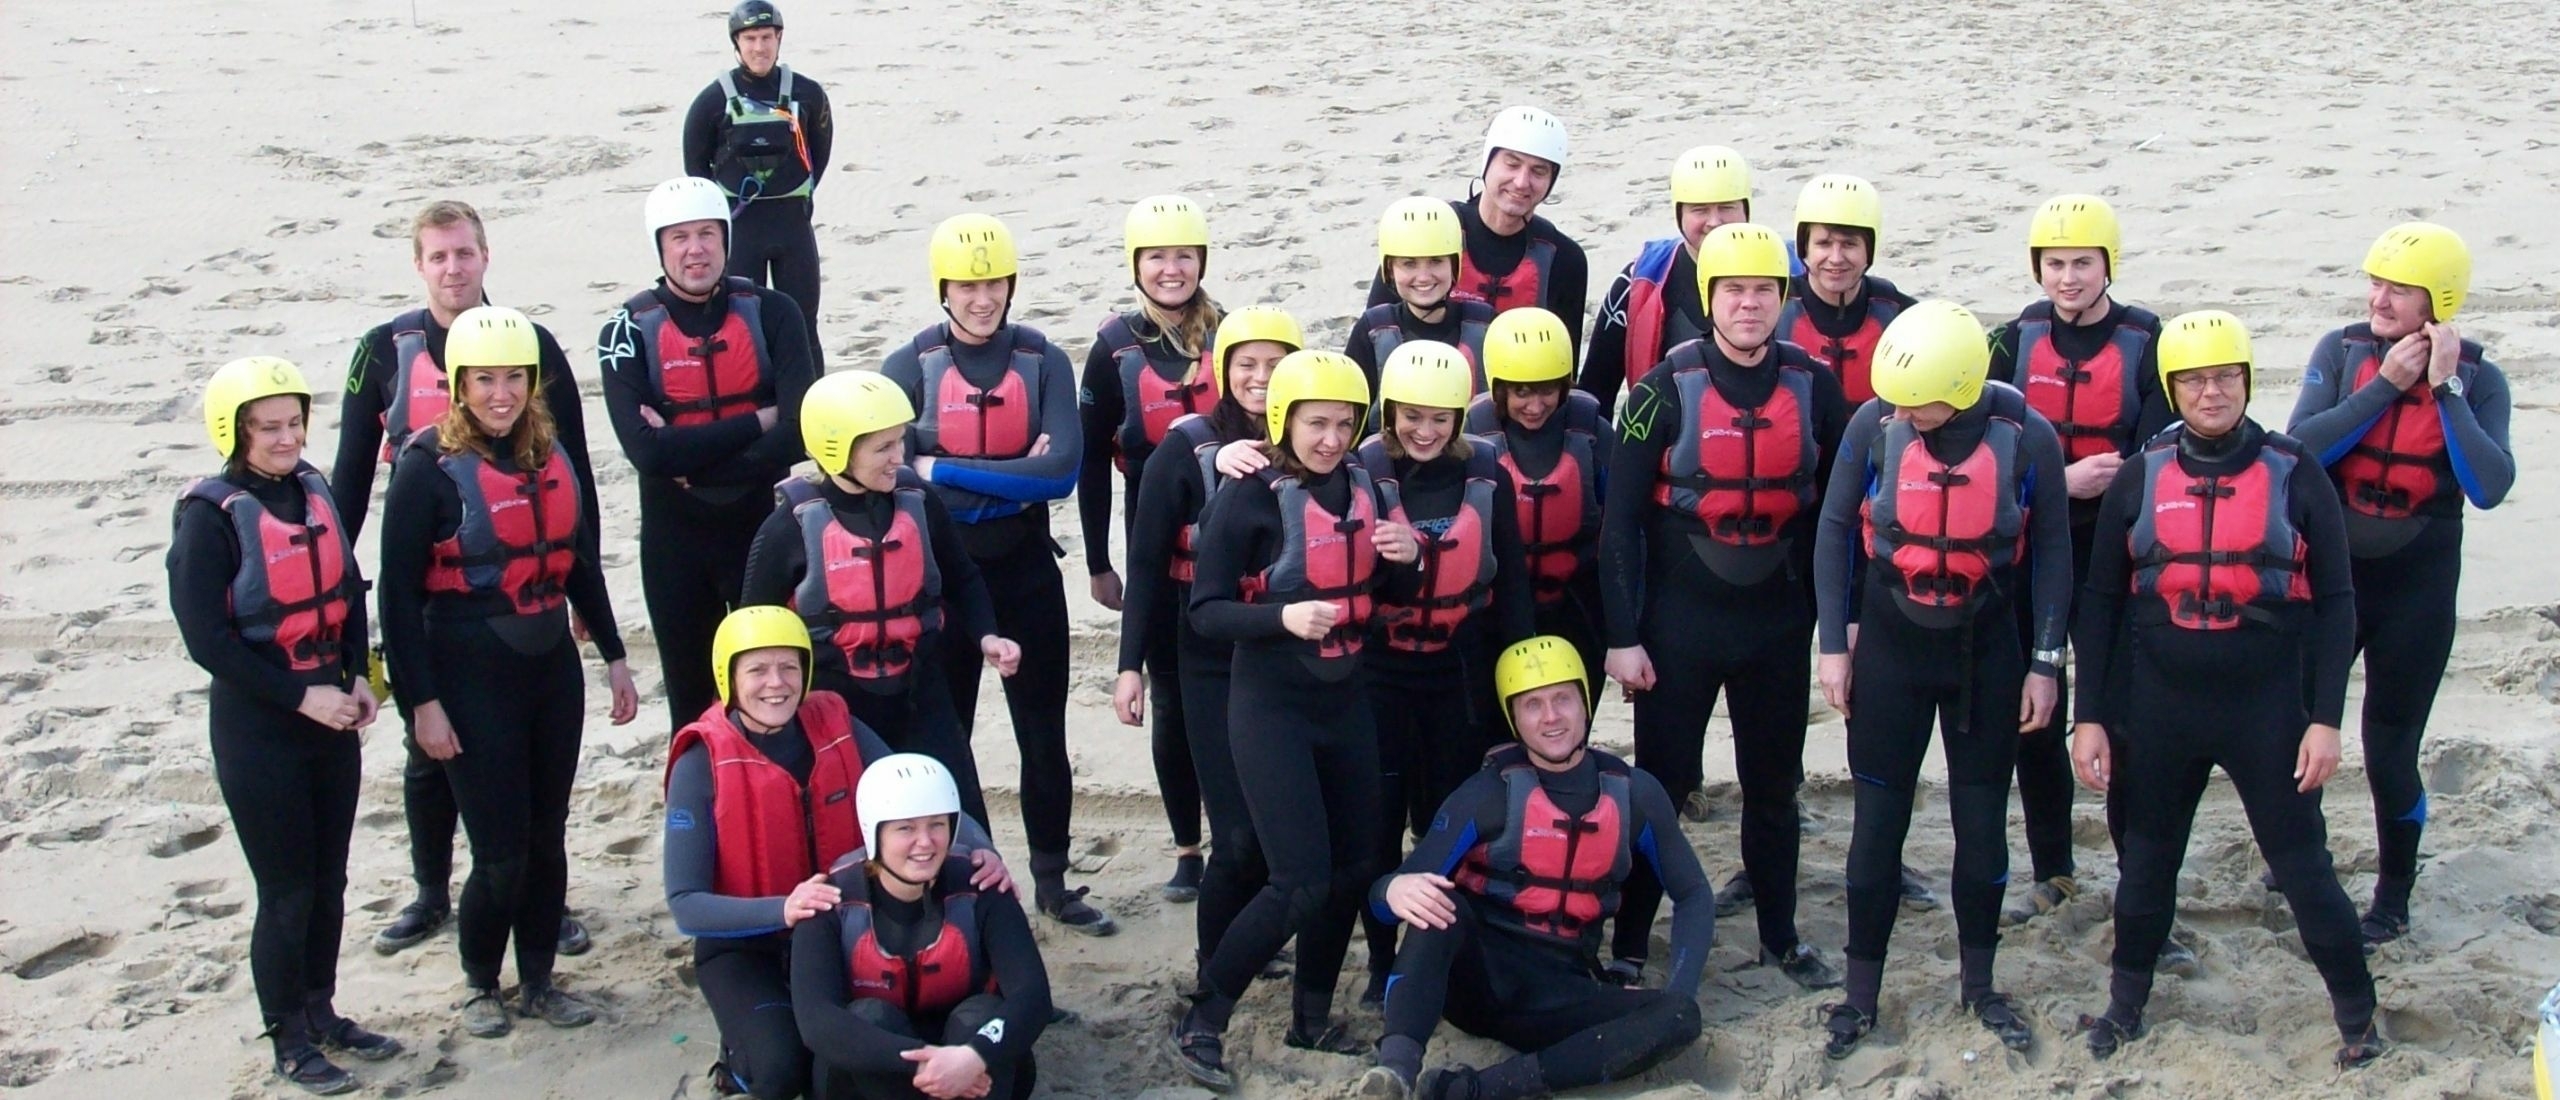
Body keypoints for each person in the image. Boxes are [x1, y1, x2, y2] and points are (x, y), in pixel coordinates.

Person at [2065, 310, 2385, 1069]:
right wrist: (2091, 719)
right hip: (2158, 706)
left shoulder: (2295, 469)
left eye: (2226, 377)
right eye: (2196, 380)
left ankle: (2358, 1020)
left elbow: (2338, 602)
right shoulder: (2142, 474)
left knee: (2306, 870)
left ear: (2247, 379)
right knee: (2144, 869)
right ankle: (2125, 1005)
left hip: (2267, 710)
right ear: (2173, 388)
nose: (2212, 393)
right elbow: (2102, 602)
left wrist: (2326, 721)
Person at [332, 198, 601, 959]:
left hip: (523, 576)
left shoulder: (532, 346)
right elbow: (351, 478)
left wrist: (585, 597)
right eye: (438, 257)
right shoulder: (382, 350)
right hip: (427, 572)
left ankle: (533, 899)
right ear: (419, 266)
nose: (453, 269)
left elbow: (573, 476)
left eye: (465, 254)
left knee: (523, 770)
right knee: (431, 750)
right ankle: (429, 891)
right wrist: (342, 589)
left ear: (486, 258)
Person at [1811, 301, 2071, 1057]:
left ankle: (1979, 984)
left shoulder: (2028, 437)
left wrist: (2046, 664)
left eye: (1913, 401)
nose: (1900, 412)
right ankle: (1861, 994)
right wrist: (1835, 645)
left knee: (1981, 827)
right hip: (1892, 647)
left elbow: (2053, 552)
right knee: (1876, 829)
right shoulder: (1876, 426)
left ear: (1960, 385)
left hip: (1986, 652)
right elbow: (1834, 531)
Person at [380, 306, 642, 1037]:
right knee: (498, 852)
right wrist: (420, 706)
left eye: (514, 378)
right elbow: (397, 602)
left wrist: (615, 657)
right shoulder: (426, 468)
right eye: (485, 379)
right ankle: (478, 984)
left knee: (547, 836)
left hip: (549, 667)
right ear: (459, 384)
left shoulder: (548, 453)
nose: (502, 393)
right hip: (466, 674)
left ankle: (538, 981)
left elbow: (576, 561)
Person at [1600, 223, 1849, 991]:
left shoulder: (1817, 385)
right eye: (1733, 291)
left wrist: (1835, 624)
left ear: (1784, 298)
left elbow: (1841, 515)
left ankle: (1780, 936)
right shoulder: (1659, 391)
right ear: (1710, 299)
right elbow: (1618, 526)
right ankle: (1632, 942)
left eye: (1764, 291)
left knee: (1774, 789)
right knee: (1663, 786)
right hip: (1680, 625)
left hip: (1774, 622)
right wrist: (1621, 637)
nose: (1749, 305)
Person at [1168, 350, 1422, 1089]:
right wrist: (1282, 615)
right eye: (1316, 424)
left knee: (1354, 868)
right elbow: (1207, 612)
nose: (1332, 439)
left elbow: (1393, 586)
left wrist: (1406, 558)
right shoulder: (1250, 496)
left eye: (1346, 424)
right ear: (1284, 421)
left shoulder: (1370, 485)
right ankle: (1203, 1016)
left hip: (1346, 700)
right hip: (1270, 702)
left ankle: (1311, 1016)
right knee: (1299, 880)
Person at [663, 606, 1014, 1098]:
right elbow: (685, 903)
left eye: (789, 666)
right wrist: (784, 908)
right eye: (757, 670)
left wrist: (981, 850)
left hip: (842, 931)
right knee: (783, 1072)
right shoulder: (701, 763)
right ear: (729, 677)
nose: (776, 684)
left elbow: (917, 793)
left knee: (872, 1041)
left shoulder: (837, 724)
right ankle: (740, 1054)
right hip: (749, 948)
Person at [171, 357, 402, 1095]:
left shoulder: (314, 491)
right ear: (232, 432)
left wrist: (358, 681)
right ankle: (288, 1038)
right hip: (260, 727)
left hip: (329, 715)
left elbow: (342, 588)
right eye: (267, 428)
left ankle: (322, 1010)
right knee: (287, 890)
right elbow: (207, 641)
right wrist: (302, 699)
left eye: (294, 424)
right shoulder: (209, 517)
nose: (284, 439)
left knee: (330, 880)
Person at [880, 213, 1116, 934]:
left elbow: (1059, 474)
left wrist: (941, 466)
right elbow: (895, 481)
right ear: (943, 289)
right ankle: (961, 884)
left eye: (994, 283)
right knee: (945, 740)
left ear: (1011, 284)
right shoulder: (908, 365)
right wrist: (1011, 473)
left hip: (1024, 571)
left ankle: (1053, 881)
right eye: (967, 285)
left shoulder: (1043, 361)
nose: (982, 298)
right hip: (942, 580)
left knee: (1042, 735)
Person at [2286, 222, 2514, 949]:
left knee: (2388, 750)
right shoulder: (2342, 352)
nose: (2379, 298)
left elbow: (2488, 485)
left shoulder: (2480, 379)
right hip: (2333, 577)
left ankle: (2393, 893)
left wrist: (2442, 388)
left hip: (2417, 583)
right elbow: (2300, 452)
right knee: (2297, 729)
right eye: (2375, 282)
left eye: (2399, 289)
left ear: (2437, 301)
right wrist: (2384, 389)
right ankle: (2302, 860)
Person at [1354, 636, 1707, 1100]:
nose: (1551, 717)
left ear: (1585, 702)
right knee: (1437, 904)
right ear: (1514, 718)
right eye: (1532, 704)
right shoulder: (1486, 794)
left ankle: (1479, 1088)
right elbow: (1383, 901)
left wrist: (1681, 990)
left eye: (1563, 698)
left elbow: (1694, 895)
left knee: (1680, 1018)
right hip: (1476, 983)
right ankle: (1395, 1073)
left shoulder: (1634, 794)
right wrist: (1392, 891)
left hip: (1560, 991)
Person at [1985, 194, 2172, 938]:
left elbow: (2164, 452)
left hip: (2113, 556)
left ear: (2108, 266)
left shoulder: (2148, 340)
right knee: (2035, 712)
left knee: (2121, 718)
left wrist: (2114, 483)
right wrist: (2059, 481)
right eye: (2054, 264)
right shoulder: (2009, 342)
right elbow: (1981, 451)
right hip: (2034, 547)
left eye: (2082, 264)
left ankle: (2139, 873)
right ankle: (2053, 868)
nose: (2067, 279)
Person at [1114, 305, 1304, 986]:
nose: (1259, 378)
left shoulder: (1316, 439)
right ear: (1220, 371)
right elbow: (1144, 563)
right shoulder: (1184, 445)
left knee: (1276, 830)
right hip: (1206, 658)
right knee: (1238, 836)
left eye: (1275, 365)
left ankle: (1253, 941)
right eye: (1245, 365)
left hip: (1286, 658)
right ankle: (1213, 967)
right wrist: (1128, 667)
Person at [741, 370, 1018, 826]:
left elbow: (963, 578)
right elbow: (752, 631)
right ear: (837, 451)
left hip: (920, 691)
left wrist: (988, 636)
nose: (899, 457)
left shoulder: (919, 503)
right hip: (835, 703)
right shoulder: (788, 527)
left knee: (960, 821)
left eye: (900, 442)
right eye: (883, 448)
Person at [1354, 340, 1538, 1004]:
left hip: (1460, 666)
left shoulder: (1489, 468)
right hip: (1381, 672)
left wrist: (1526, 676)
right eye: (1412, 417)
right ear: (1390, 411)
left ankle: (1439, 951)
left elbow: (1513, 578)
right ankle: (1380, 961)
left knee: (1446, 820)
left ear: (1462, 418)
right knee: (1378, 823)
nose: (1425, 431)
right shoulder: (1362, 470)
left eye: (1441, 418)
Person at [600, 176, 816, 729]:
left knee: (773, 693)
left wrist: (690, 459)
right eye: (679, 238)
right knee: (692, 704)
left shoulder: (775, 312)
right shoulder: (624, 329)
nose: (695, 249)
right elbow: (646, 454)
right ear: (660, 247)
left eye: (706, 234)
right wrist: (757, 421)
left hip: (761, 530)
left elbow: (798, 432)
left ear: (725, 238)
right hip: (676, 543)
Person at [1078, 194, 1223, 902]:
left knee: (1230, 699)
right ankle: (1188, 846)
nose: (1172, 270)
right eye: (1157, 258)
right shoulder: (1113, 347)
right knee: (1170, 700)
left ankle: (1237, 831)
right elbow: (1087, 463)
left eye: (1184, 256)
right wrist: (1099, 562)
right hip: (1151, 544)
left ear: (1202, 260)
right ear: (1137, 265)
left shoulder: (1230, 335)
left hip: (1228, 543)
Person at [793, 755, 1052, 1100]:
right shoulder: (830, 903)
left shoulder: (982, 888)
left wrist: (972, 1055)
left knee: (981, 1015)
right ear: (874, 833)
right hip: (881, 1068)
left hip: (968, 1061)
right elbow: (817, 1021)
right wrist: (923, 1066)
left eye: (937, 825)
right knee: (869, 1016)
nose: (926, 842)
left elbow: (1032, 997)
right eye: (906, 828)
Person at [1462, 308, 1608, 698]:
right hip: (1495, 613)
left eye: (1547, 389)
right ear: (1498, 388)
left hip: (1577, 603)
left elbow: (1628, 526)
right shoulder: (1470, 437)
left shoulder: (1591, 431)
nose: (1535, 404)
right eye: (1521, 391)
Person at [1366, 107, 1590, 357]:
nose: (1521, 182)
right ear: (1487, 162)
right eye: (1512, 163)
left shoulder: (1565, 260)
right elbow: (1376, 334)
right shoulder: (1425, 230)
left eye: (1539, 171)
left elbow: (1562, 372)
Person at [683, 0, 833, 354]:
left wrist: (796, 193)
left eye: (766, 37)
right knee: (741, 324)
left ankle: (808, 405)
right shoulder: (712, 100)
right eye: (750, 39)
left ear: (779, 39)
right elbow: (695, 168)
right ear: (737, 43)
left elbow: (819, 155)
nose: (759, 48)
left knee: (802, 323)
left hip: (793, 227)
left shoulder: (807, 94)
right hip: (740, 231)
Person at [1576, 145, 1755, 403]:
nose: (1715, 221)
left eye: (1727, 207)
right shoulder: (1637, 281)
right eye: (1699, 210)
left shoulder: (1786, 276)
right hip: (1670, 437)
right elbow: (1596, 392)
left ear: (1746, 209)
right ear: (1678, 214)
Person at [1771, 174, 1920, 407]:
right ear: (1804, 247)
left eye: (1850, 244)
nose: (1836, 258)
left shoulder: (1903, 316)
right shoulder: (1770, 309)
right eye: (1824, 244)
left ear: (1869, 250)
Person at [1348, 198, 1498, 389]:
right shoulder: (1372, 331)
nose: (1424, 277)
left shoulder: (1485, 324)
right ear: (1389, 270)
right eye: (1409, 264)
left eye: (1436, 261)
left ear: (1455, 264)